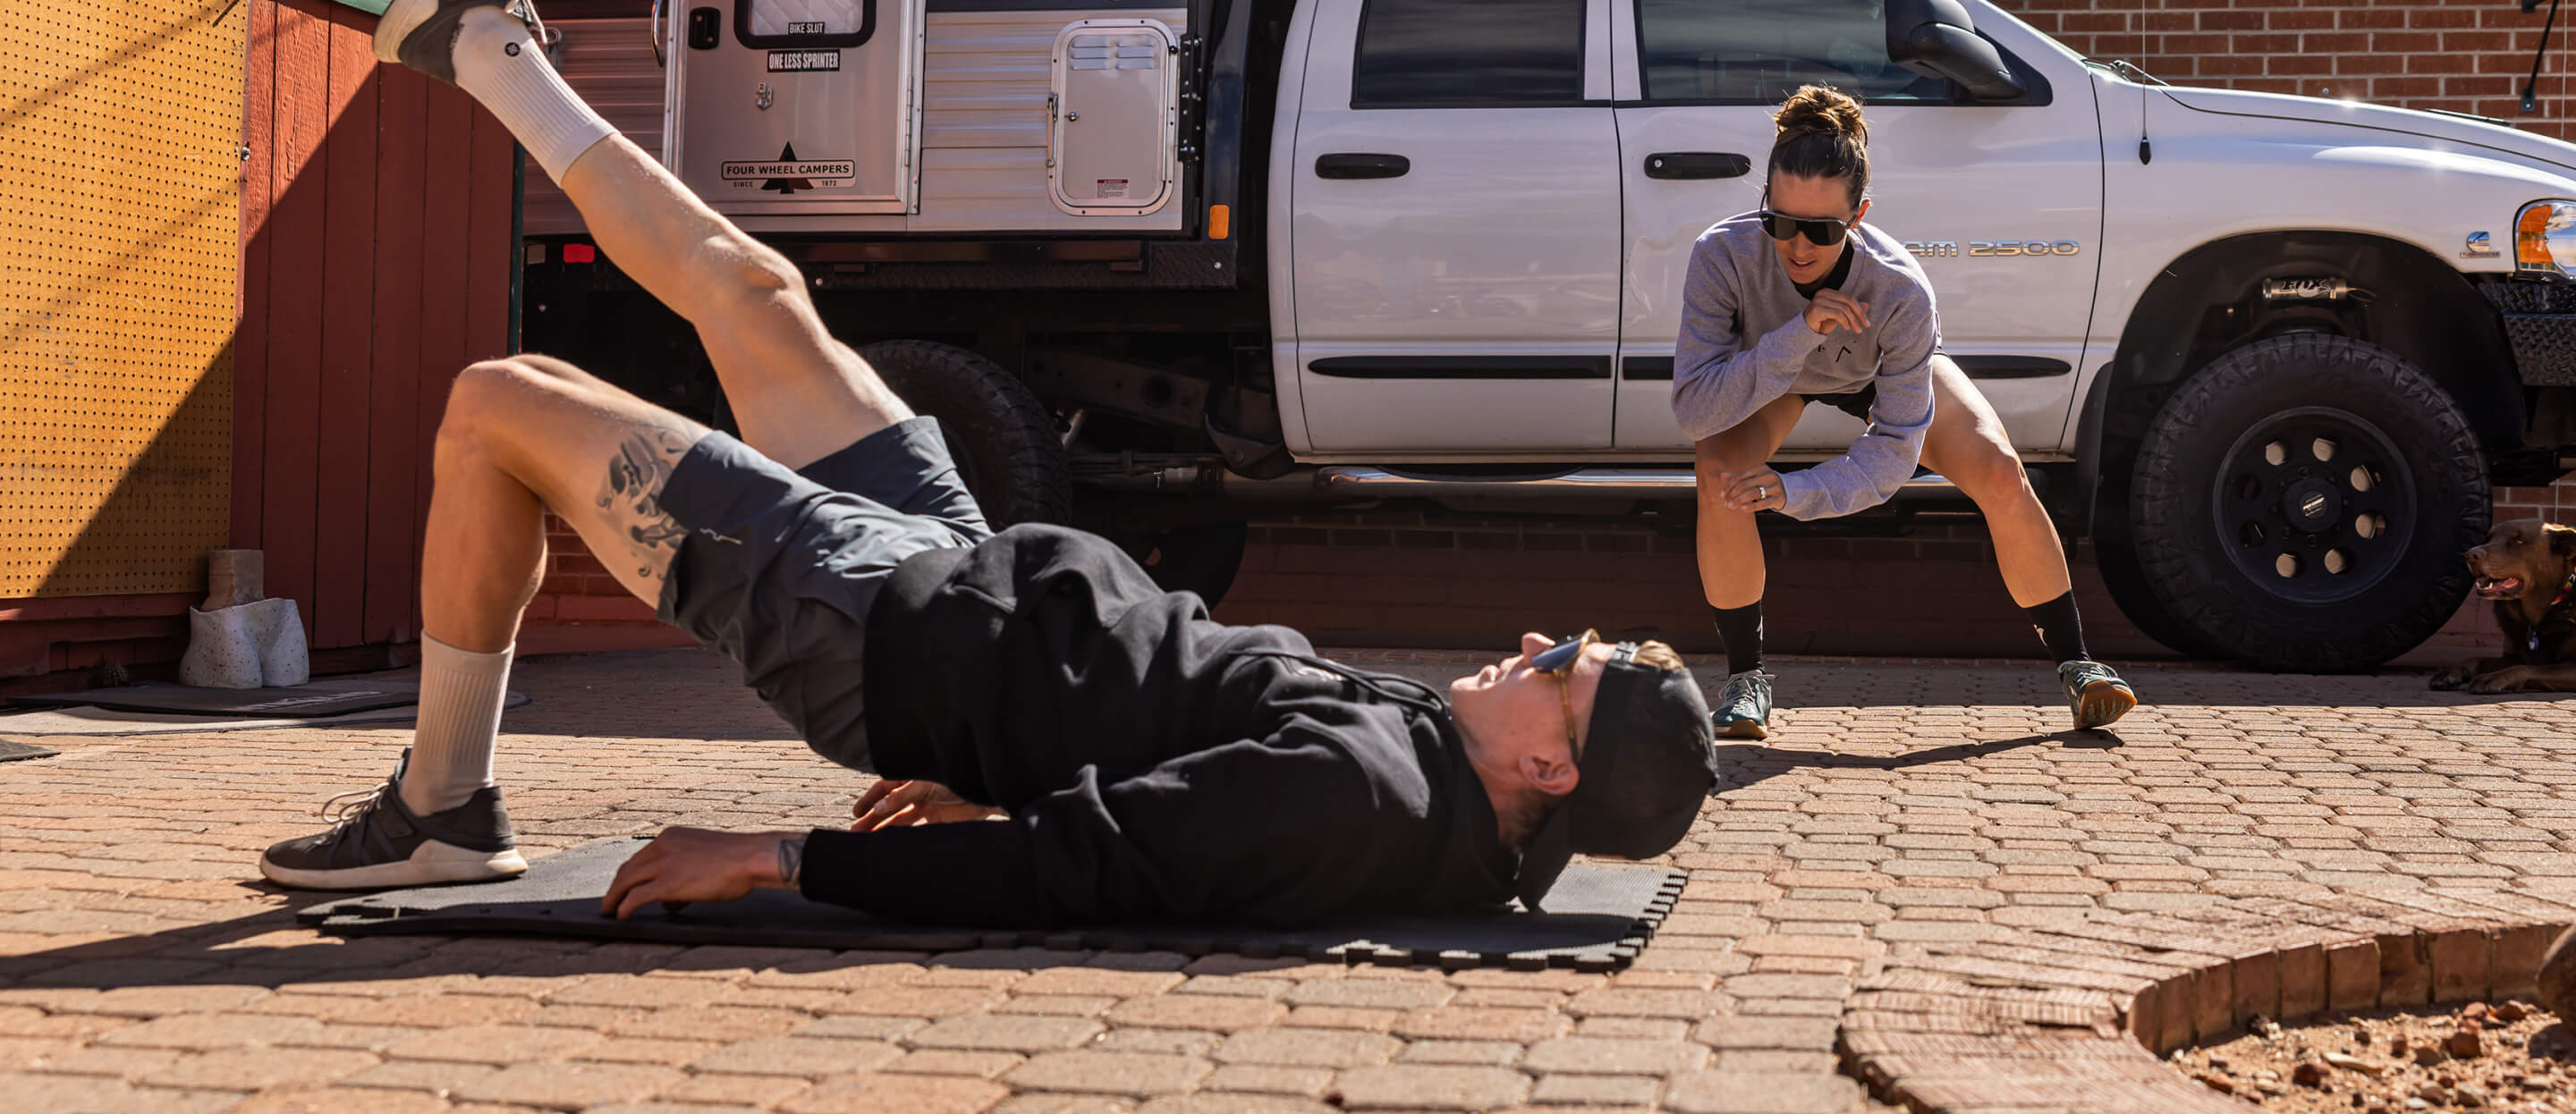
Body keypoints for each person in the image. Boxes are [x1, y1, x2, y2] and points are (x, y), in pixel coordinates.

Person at [255, 0, 1720, 926]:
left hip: (873, 622)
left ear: (1550, 759)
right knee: (754, 290)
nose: (1540, 637)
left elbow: (1091, 872)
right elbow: (1158, 791)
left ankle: (442, 808)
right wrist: (1021, 779)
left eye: (1566, 663)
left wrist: (776, 855)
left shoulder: (1366, 796)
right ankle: (490, 51)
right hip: (962, 574)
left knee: (496, 400)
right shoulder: (1441, 784)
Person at [1675, 85, 2139, 740]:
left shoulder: (1899, 289)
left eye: (1823, 229)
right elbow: (1695, 409)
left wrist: (1796, 490)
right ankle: (1746, 683)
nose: (1799, 247)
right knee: (1718, 473)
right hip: (1772, 376)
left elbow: (1894, 452)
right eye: (1781, 222)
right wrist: (1799, 332)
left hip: (1872, 372)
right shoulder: (1720, 254)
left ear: (1858, 215)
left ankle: (2079, 665)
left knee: (2001, 471)